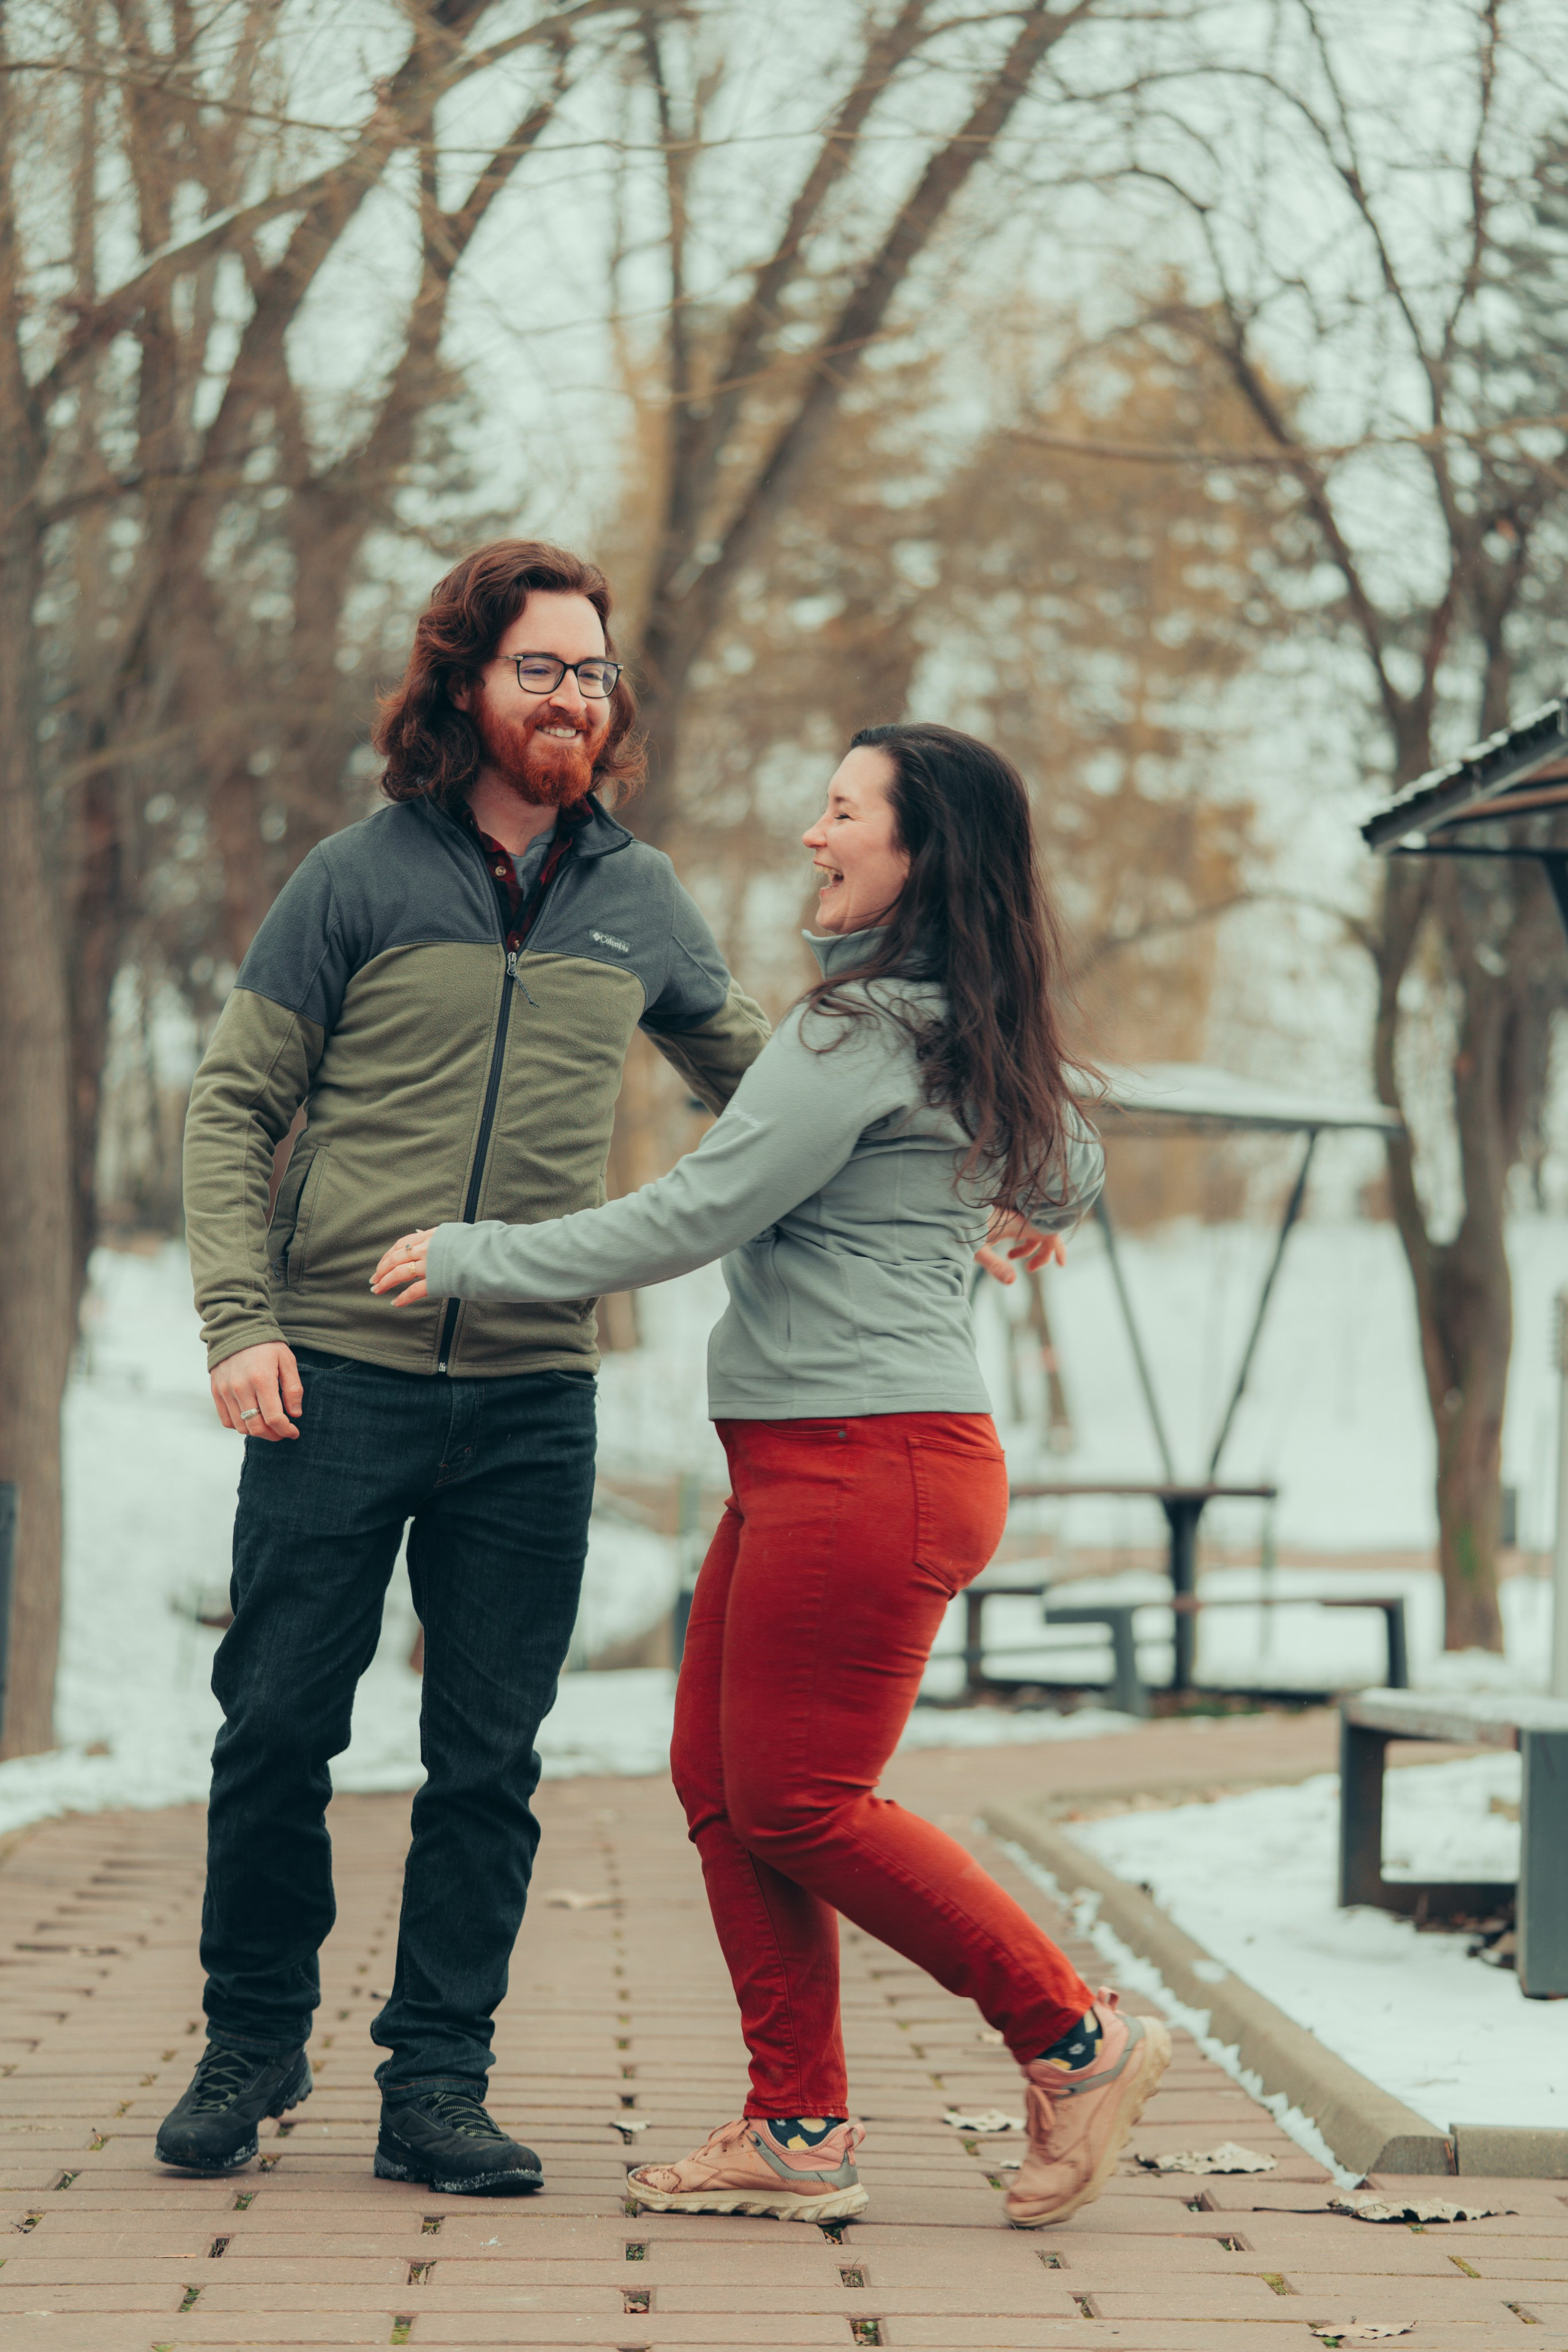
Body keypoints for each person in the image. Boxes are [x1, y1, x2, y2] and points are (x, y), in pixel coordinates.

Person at [373, 721, 1172, 2230]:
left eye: (842, 811)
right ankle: (796, 2125)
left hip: (863, 1462)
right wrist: (1027, 1211)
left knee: (801, 1800)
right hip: (844, 1459)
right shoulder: (972, 1031)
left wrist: (475, 1256)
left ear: (919, 853)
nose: (814, 835)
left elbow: (693, 1214)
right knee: (726, 1790)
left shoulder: (853, 1033)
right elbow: (1069, 1169)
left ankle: (1074, 2037)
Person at [156, 540, 773, 2195]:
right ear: (465, 686)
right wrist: (241, 1322)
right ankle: (250, 2036)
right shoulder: (355, 878)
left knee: (487, 1759)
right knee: (278, 1725)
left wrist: (966, 1158)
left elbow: (773, 1098)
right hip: (334, 1378)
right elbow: (230, 1109)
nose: (574, 697)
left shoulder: (637, 900)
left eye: (593, 672)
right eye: (540, 669)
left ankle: (437, 2083)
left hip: (530, 1395)